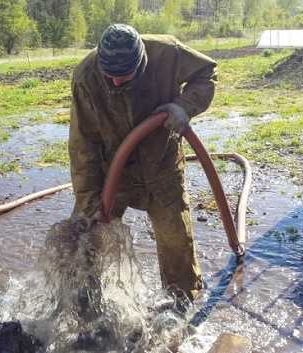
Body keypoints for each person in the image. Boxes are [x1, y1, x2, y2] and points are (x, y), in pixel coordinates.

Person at [68, 24, 217, 301]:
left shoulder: (167, 53)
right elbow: (83, 149)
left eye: (123, 77)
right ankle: (85, 300)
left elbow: (207, 73)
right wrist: (91, 206)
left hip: (161, 165)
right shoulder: (86, 77)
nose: (115, 83)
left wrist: (184, 106)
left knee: (175, 238)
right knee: (90, 235)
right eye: (109, 77)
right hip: (112, 172)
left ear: (141, 62)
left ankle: (181, 301)